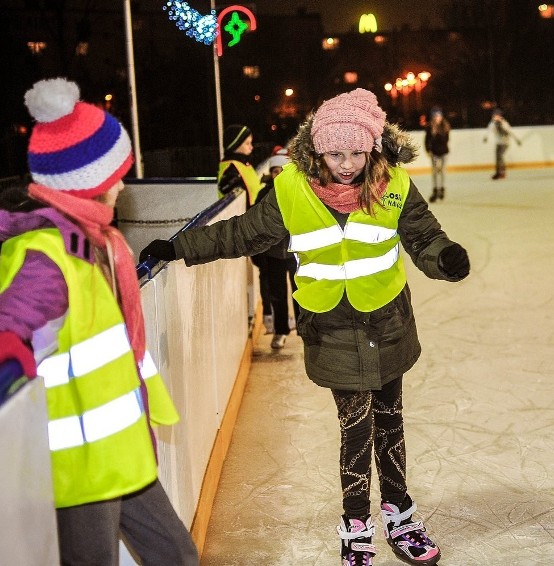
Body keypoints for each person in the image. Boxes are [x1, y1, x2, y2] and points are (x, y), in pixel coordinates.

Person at [140, 88, 470, 566]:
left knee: (391, 422)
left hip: (388, 324)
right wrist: (181, 247)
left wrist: (446, 259)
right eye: (336, 153)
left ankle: (400, 513)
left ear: (373, 146)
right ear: (317, 149)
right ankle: (356, 524)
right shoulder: (292, 189)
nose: (348, 164)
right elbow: (244, 232)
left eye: (358, 152)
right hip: (331, 330)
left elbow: (425, 237)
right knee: (355, 428)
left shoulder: (394, 183)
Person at [0, 78, 198, 565]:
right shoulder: (46, 255)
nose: (124, 184)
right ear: (89, 180)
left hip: (120, 452)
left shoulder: (94, 241)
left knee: (178, 557)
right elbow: (4, 333)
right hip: (80, 469)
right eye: (117, 174)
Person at [251, 146, 300, 348]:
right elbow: (254, 224)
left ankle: (305, 328)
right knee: (277, 294)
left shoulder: (298, 191)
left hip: (295, 251)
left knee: (301, 291)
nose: (277, 174)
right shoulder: (263, 195)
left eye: (281, 170)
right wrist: (259, 252)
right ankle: (280, 331)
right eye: (274, 171)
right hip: (272, 254)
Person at [217, 123, 266, 206]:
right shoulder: (231, 168)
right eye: (247, 143)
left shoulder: (243, 164)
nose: (251, 147)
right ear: (235, 145)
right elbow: (229, 194)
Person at [482, 108, 521, 179]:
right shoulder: (492, 123)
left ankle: (502, 172)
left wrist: (516, 139)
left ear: (500, 116)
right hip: (498, 142)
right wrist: (485, 137)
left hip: (505, 143)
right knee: (497, 157)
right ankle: (497, 172)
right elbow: (488, 130)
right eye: (494, 115)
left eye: (497, 115)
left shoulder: (504, 123)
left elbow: (510, 132)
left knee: (500, 156)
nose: (495, 117)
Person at [423, 106, 450, 202]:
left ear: (441, 116)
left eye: (438, 116)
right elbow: (426, 140)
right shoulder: (429, 127)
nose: (437, 118)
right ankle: (435, 190)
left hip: (443, 152)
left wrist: (436, 134)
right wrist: (428, 150)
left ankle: (442, 189)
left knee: (442, 171)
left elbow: (445, 141)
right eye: (435, 116)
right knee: (435, 172)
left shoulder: (445, 127)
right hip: (434, 153)